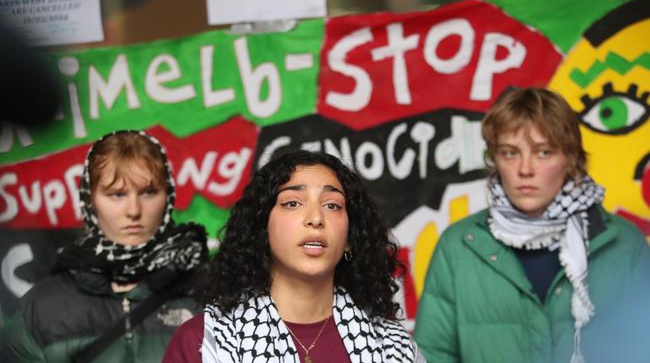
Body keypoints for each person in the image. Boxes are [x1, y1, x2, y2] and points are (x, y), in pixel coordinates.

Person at [413, 87, 650, 363]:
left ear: (571, 158)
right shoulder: (458, 246)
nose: (525, 169)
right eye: (510, 153)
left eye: (543, 152)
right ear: (495, 159)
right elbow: (432, 356)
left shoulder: (623, 243)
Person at [163, 150, 425, 362]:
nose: (315, 219)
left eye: (332, 205)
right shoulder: (204, 342)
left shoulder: (395, 346)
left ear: (350, 239)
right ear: (262, 230)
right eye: (292, 203)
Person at [2, 131, 208, 362]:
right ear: (91, 201)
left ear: (168, 195)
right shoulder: (44, 306)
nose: (133, 210)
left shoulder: (211, 292)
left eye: (148, 192)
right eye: (116, 194)